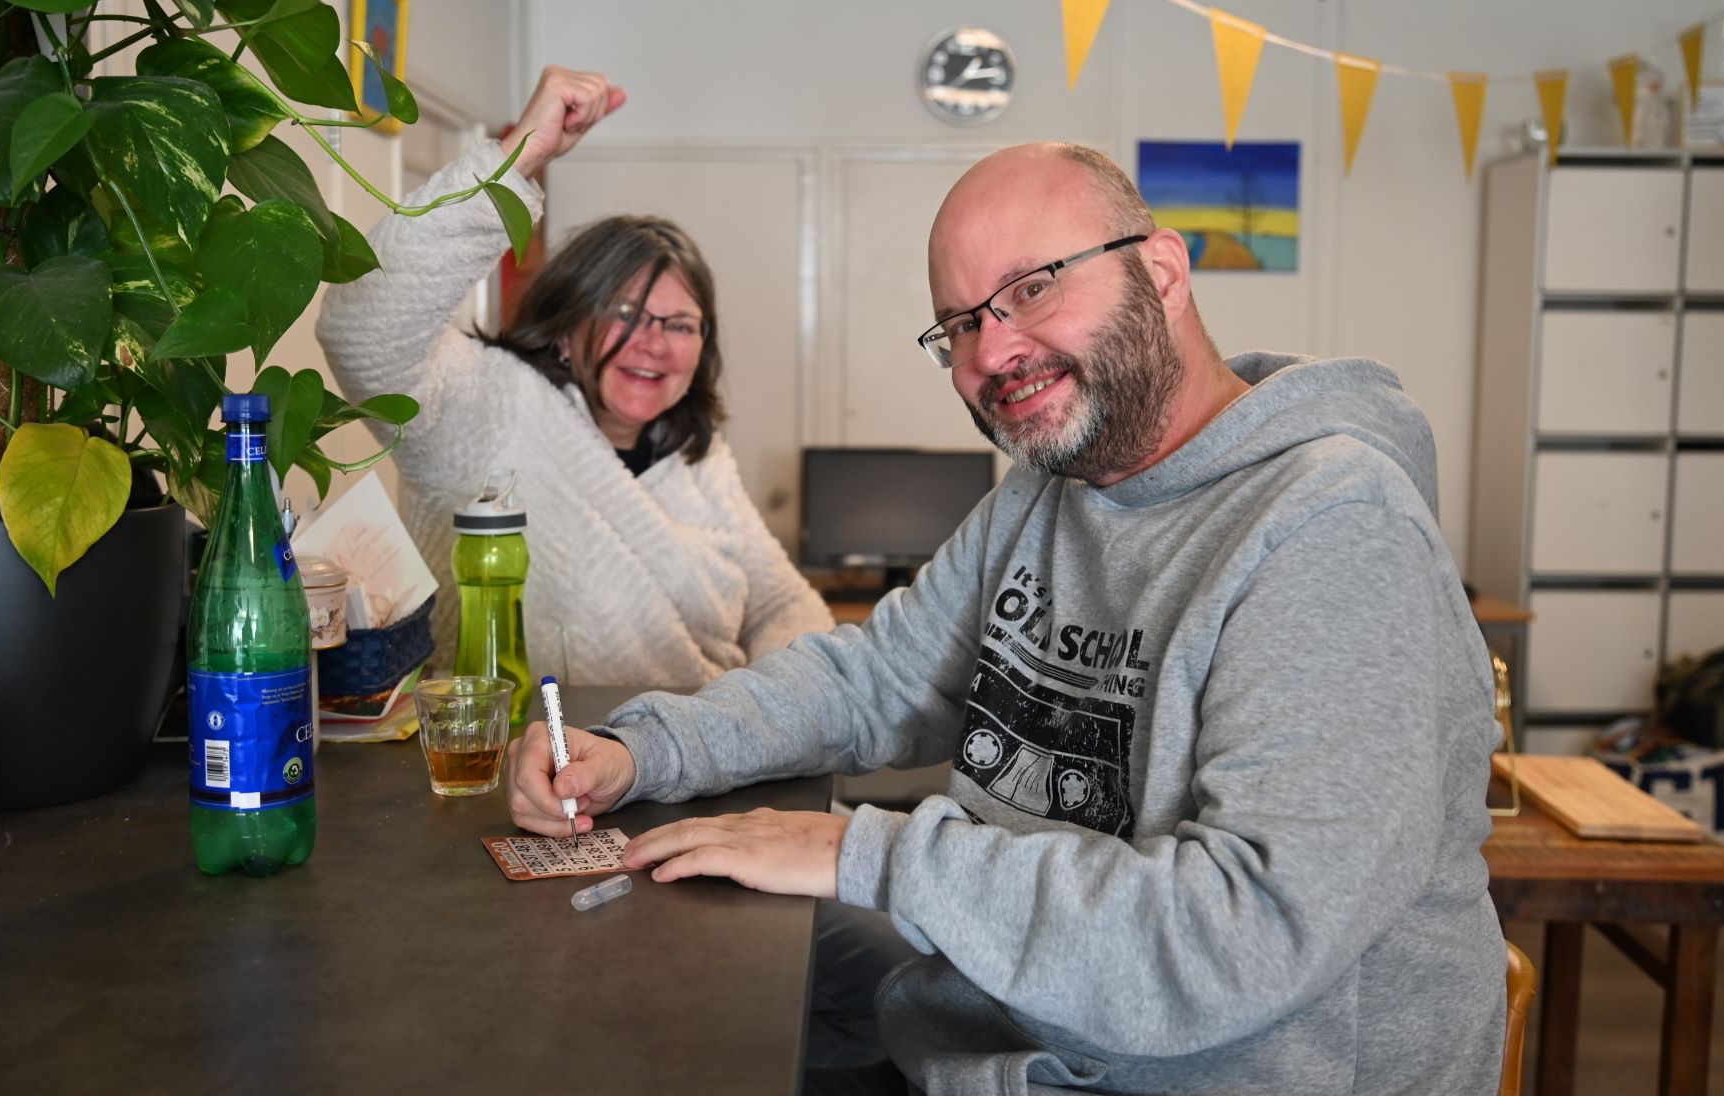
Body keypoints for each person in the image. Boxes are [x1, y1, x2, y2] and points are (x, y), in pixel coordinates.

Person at [508, 142, 1508, 1095]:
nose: (992, 351)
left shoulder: (1334, 525)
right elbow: (878, 679)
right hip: (1004, 1045)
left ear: (1161, 272)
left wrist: (862, 854)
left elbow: (1241, 934)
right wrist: (642, 748)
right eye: (958, 324)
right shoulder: (1051, 486)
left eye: (1032, 288)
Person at [316, 67, 833, 685]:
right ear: (565, 327)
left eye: (680, 325)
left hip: (702, 742)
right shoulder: (488, 405)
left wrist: (778, 706)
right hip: (520, 743)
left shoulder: (701, 461)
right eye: (625, 315)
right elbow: (360, 331)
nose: (654, 344)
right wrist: (515, 160)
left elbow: (782, 602)